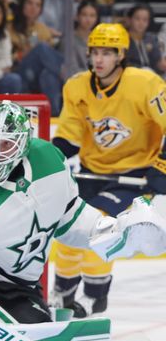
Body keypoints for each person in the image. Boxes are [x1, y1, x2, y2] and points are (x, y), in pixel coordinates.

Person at [0, 99, 161, 335]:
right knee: (25, 332)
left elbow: (69, 216)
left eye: (7, 144)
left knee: (39, 327)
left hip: (23, 285)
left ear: (24, 142)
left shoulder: (48, 160)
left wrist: (113, 233)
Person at [50, 23, 166, 316]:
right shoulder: (77, 86)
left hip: (134, 176)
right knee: (68, 227)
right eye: (95, 52)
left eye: (107, 53)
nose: (99, 59)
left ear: (121, 55)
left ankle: (94, 294)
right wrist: (48, 158)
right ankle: (62, 292)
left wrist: (161, 167)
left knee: (99, 227)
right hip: (92, 170)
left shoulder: (146, 85)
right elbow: (70, 134)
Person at [9, 0, 63, 114]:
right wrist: (22, 54)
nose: (33, 7)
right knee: (42, 48)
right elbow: (5, 57)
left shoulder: (42, 29)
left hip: (37, 76)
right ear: (23, 5)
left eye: (38, 5)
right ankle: (67, 74)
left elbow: (49, 59)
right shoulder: (9, 27)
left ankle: (54, 117)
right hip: (19, 72)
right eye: (30, 3)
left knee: (48, 75)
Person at [124, 4, 166, 75]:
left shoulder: (152, 38)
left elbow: (157, 63)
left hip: (151, 78)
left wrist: (160, 66)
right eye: (137, 19)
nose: (141, 23)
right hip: (130, 77)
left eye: (145, 20)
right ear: (129, 19)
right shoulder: (123, 38)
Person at [61, 0, 98, 77]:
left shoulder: (99, 40)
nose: (88, 19)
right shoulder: (69, 39)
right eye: (84, 15)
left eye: (92, 16)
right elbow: (71, 70)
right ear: (77, 17)